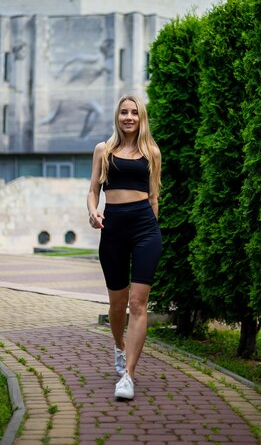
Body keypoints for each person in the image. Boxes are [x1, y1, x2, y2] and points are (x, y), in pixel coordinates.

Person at [87, 94, 162, 400]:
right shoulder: (104, 150)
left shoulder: (152, 152)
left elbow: (154, 198)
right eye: (123, 113)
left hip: (145, 229)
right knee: (117, 305)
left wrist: (152, 230)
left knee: (138, 304)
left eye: (134, 113)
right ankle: (119, 346)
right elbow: (93, 191)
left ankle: (128, 376)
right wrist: (93, 212)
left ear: (141, 117)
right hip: (113, 229)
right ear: (117, 117)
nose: (129, 117)